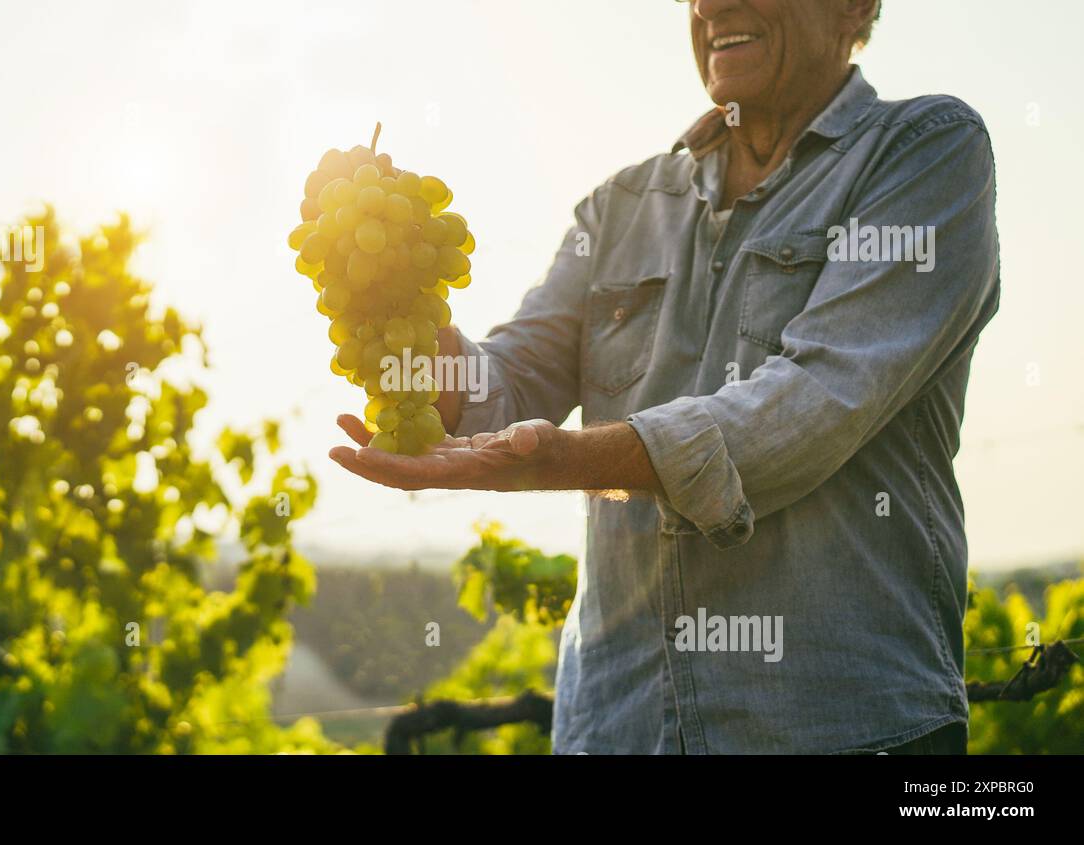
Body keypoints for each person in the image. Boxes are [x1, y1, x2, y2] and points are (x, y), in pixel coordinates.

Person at [330, 0, 999, 754]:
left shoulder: (925, 154)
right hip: (617, 729)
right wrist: (410, 317)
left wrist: (562, 458)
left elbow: (814, 404)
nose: (711, 5)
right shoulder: (618, 208)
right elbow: (506, 389)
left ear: (856, 7)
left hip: (842, 730)